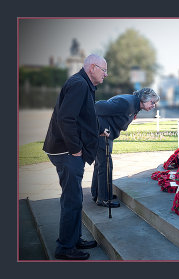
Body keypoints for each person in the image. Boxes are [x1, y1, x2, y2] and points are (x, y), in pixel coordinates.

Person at [43, 54, 109, 260]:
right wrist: (75, 150)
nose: (106, 74)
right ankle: (65, 247)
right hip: (66, 152)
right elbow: (66, 118)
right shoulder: (79, 84)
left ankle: (74, 238)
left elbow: (84, 116)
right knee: (72, 199)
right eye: (103, 70)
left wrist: (98, 131)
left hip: (66, 150)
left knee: (76, 197)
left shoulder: (84, 84)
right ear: (91, 67)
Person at [91, 88, 160, 207]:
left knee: (101, 164)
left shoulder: (134, 105)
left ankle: (98, 194)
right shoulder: (126, 103)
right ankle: (103, 198)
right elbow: (96, 107)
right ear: (144, 99)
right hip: (102, 134)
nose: (153, 105)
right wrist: (101, 129)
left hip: (105, 134)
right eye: (152, 102)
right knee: (106, 165)